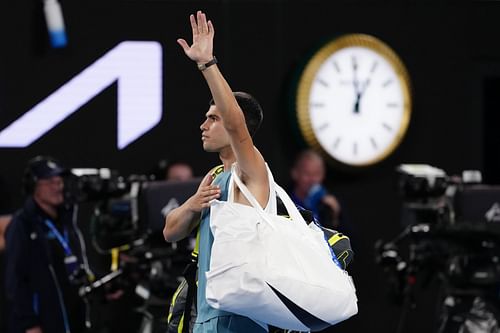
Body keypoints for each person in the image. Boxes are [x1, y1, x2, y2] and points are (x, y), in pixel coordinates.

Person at [163, 10, 272, 333]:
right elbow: (170, 232)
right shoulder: (213, 176)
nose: (203, 125)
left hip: (242, 319)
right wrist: (193, 205)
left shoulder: (252, 171)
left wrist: (207, 64)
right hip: (206, 318)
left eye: (213, 118)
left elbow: (235, 122)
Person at [4, 156, 90, 333]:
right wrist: (29, 323)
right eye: (50, 182)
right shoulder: (22, 225)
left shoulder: (67, 221)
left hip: (74, 318)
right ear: (33, 187)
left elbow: (75, 265)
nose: (57, 187)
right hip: (42, 323)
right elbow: (15, 280)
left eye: (59, 181)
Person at [290, 149, 342, 230]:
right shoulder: (285, 203)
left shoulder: (327, 205)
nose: (312, 180)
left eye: (317, 174)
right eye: (307, 173)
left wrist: (335, 217)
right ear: (295, 173)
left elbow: (350, 240)